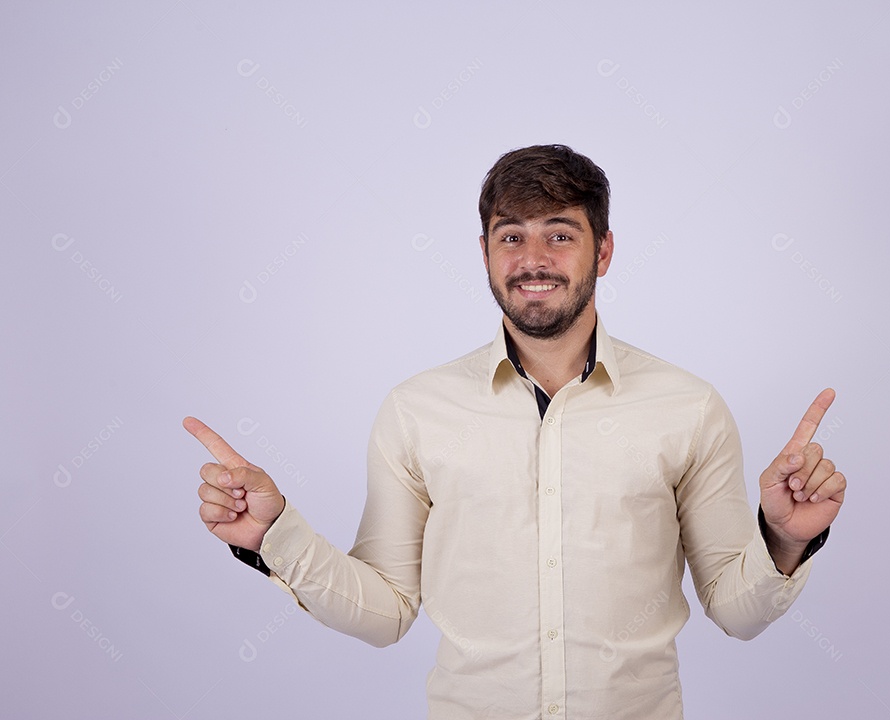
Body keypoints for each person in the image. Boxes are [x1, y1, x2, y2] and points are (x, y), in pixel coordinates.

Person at [184, 144, 846, 719]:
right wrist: (275, 537)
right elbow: (384, 613)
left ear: (603, 251)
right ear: (484, 252)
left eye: (560, 235)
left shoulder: (688, 408)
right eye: (511, 236)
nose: (533, 260)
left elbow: (736, 610)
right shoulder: (417, 410)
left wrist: (785, 537)